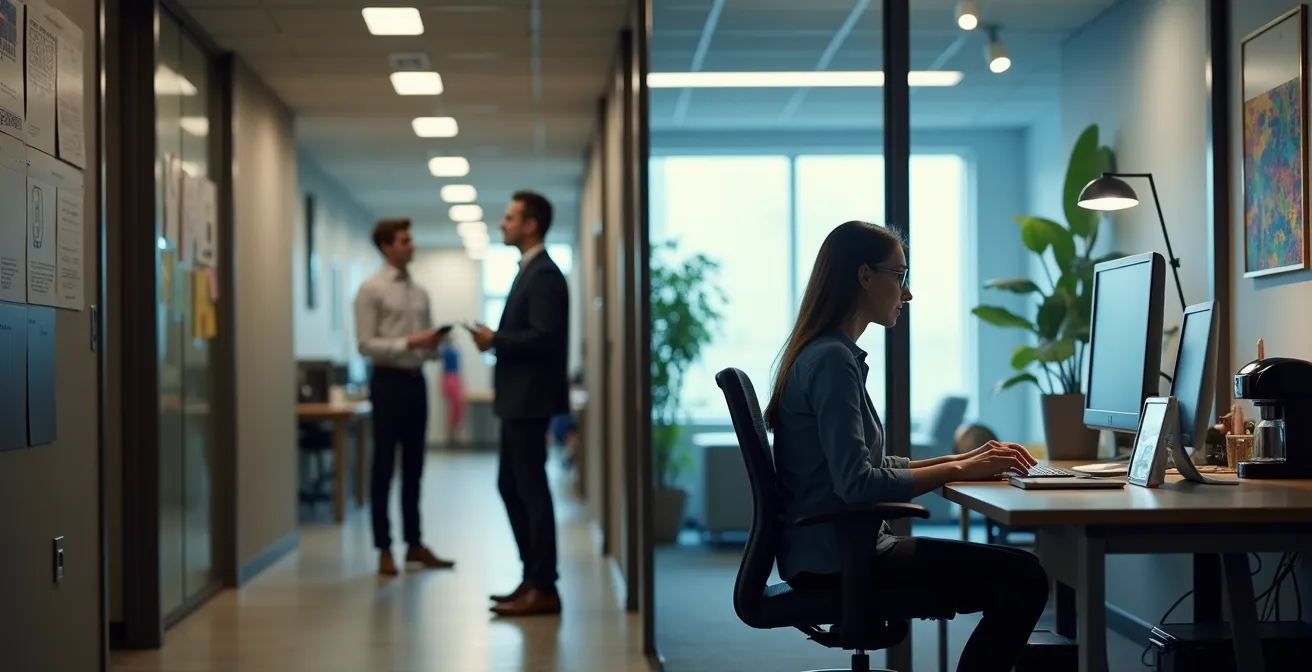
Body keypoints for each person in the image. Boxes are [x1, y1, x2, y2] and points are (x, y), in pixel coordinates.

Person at [763, 220, 1049, 672]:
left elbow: (869, 463)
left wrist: (966, 459)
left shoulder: (828, 354)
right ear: (864, 276)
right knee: (1026, 577)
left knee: (1019, 570)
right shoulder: (832, 360)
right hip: (840, 559)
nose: (907, 292)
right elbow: (858, 484)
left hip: (830, 551)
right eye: (900, 275)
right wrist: (957, 471)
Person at [471, 191, 570, 617]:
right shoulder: (530, 271)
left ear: (531, 224)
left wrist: (495, 340)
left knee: (529, 490)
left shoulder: (544, 273)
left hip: (529, 400)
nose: (502, 223)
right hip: (519, 400)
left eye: (509, 217)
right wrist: (498, 340)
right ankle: (533, 578)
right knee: (512, 487)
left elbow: (544, 338)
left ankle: (544, 586)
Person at [353, 217, 456, 577]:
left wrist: (433, 346)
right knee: (384, 467)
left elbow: (424, 347)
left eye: (411, 240)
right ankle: (384, 547)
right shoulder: (371, 290)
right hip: (387, 383)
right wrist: (409, 342)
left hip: (416, 383)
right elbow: (365, 344)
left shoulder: (420, 292)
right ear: (386, 247)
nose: (411, 246)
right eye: (403, 241)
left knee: (415, 468)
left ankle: (414, 544)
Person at [439, 341, 465, 445]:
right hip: (449, 378)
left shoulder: (453, 350)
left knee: (458, 408)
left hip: (455, 377)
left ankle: (454, 434)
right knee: (454, 409)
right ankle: (451, 436)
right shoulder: (444, 351)